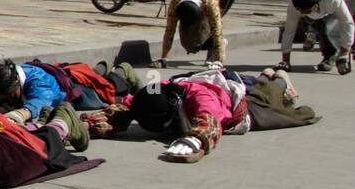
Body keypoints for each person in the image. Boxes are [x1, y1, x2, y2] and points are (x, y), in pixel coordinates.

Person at [84, 68, 319, 163]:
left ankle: (277, 76)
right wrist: (84, 127)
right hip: (209, 77)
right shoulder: (154, 92)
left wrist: (194, 140)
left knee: (272, 93)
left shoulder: (201, 99)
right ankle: (267, 75)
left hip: (241, 96)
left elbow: (210, 121)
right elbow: (120, 110)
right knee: (262, 82)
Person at [156, 0, 233, 67]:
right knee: (190, 43)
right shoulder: (176, 1)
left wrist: (219, 61)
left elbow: (216, 30)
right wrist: (164, 58)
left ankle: (213, 53)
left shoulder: (210, 3)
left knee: (207, 28)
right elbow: (169, 30)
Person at [277, 0, 355, 73]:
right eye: (299, 10)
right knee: (306, 22)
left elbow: (347, 22)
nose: (301, 12)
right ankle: (311, 33)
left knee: (327, 28)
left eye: (305, 10)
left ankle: (330, 56)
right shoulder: (295, 4)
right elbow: (289, 30)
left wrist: (344, 52)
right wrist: (285, 61)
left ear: (315, 4)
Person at [0, 59, 68, 125]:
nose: (9, 102)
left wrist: (22, 114)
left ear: (17, 80)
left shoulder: (37, 80)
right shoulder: (5, 80)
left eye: (10, 97)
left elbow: (41, 100)